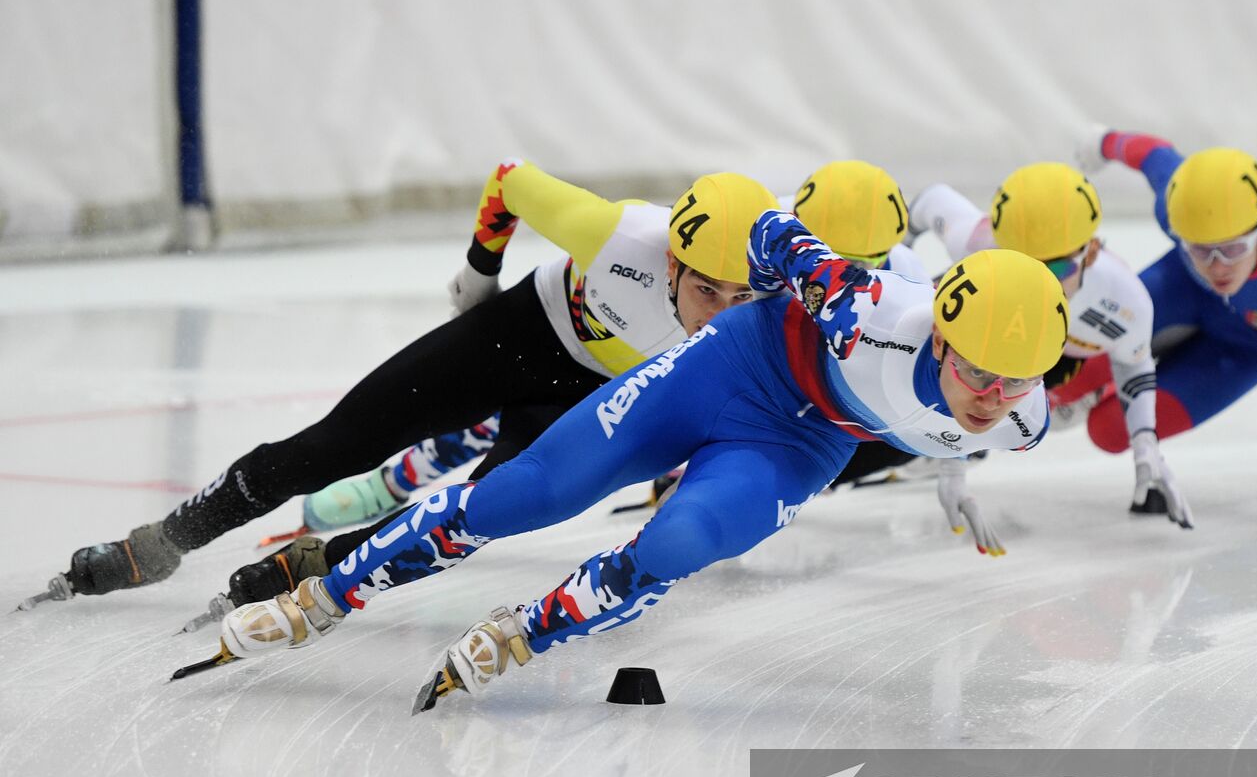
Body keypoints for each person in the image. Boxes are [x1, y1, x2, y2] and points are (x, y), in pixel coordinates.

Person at [198, 212, 1069, 709]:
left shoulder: (1023, 421)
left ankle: (533, 628)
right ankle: (322, 598)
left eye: (1012, 382)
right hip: (737, 364)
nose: (990, 394)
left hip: (802, 440)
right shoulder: (867, 304)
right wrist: (764, 283)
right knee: (527, 493)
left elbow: (968, 433)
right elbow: (771, 231)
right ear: (942, 336)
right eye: (975, 371)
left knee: (680, 539)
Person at [41, 164, 777, 603]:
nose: (723, 313)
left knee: (478, 514)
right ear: (672, 264)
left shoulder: (763, 307)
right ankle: (162, 541)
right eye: (708, 291)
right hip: (522, 331)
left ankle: (315, 564)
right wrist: (479, 273)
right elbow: (511, 180)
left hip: (581, 398)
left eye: (742, 299)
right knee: (335, 445)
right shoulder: (618, 235)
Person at [300, 158, 933, 530]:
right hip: (624, 330)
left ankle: (401, 491)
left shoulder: (898, 288)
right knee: (493, 405)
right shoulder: (767, 244)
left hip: (668, 359)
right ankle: (402, 476)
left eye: (866, 265)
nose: (836, 287)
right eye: (828, 262)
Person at [1068, 130, 1257, 520]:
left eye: (1232, 249)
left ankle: (1108, 386)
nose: (1217, 267)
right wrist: (1102, 142)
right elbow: (1153, 155)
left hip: (1253, 348)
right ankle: (1097, 383)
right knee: (1065, 373)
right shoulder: (1180, 203)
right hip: (1185, 289)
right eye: (1200, 249)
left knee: (1107, 431)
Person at [906, 162, 1191, 526]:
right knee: (929, 317)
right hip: (995, 324)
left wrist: (1145, 442)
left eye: (1055, 271)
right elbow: (931, 201)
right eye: (1020, 263)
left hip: (1062, 354)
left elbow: (1133, 365)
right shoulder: (978, 241)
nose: (1035, 283)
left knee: (1042, 413)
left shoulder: (1125, 301)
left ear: (1091, 253)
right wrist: (899, 265)